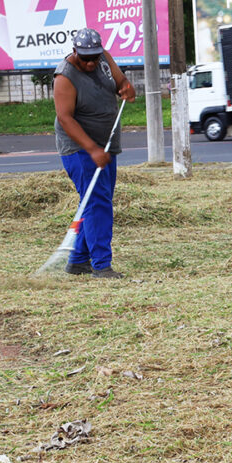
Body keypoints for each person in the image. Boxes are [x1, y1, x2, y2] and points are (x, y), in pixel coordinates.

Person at [53, 28, 136, 279]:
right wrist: (91, 149)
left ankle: (78, 261)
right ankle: (101, 265)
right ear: (75, 51)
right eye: (85, 58)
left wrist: (126, 88)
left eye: (94, 57)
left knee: (96, 201)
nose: (90, 63)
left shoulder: (103, 59)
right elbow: (65, 118)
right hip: (80, 149)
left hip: (106, 146)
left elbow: (121, 82)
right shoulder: (65, 77)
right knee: (98, 203)